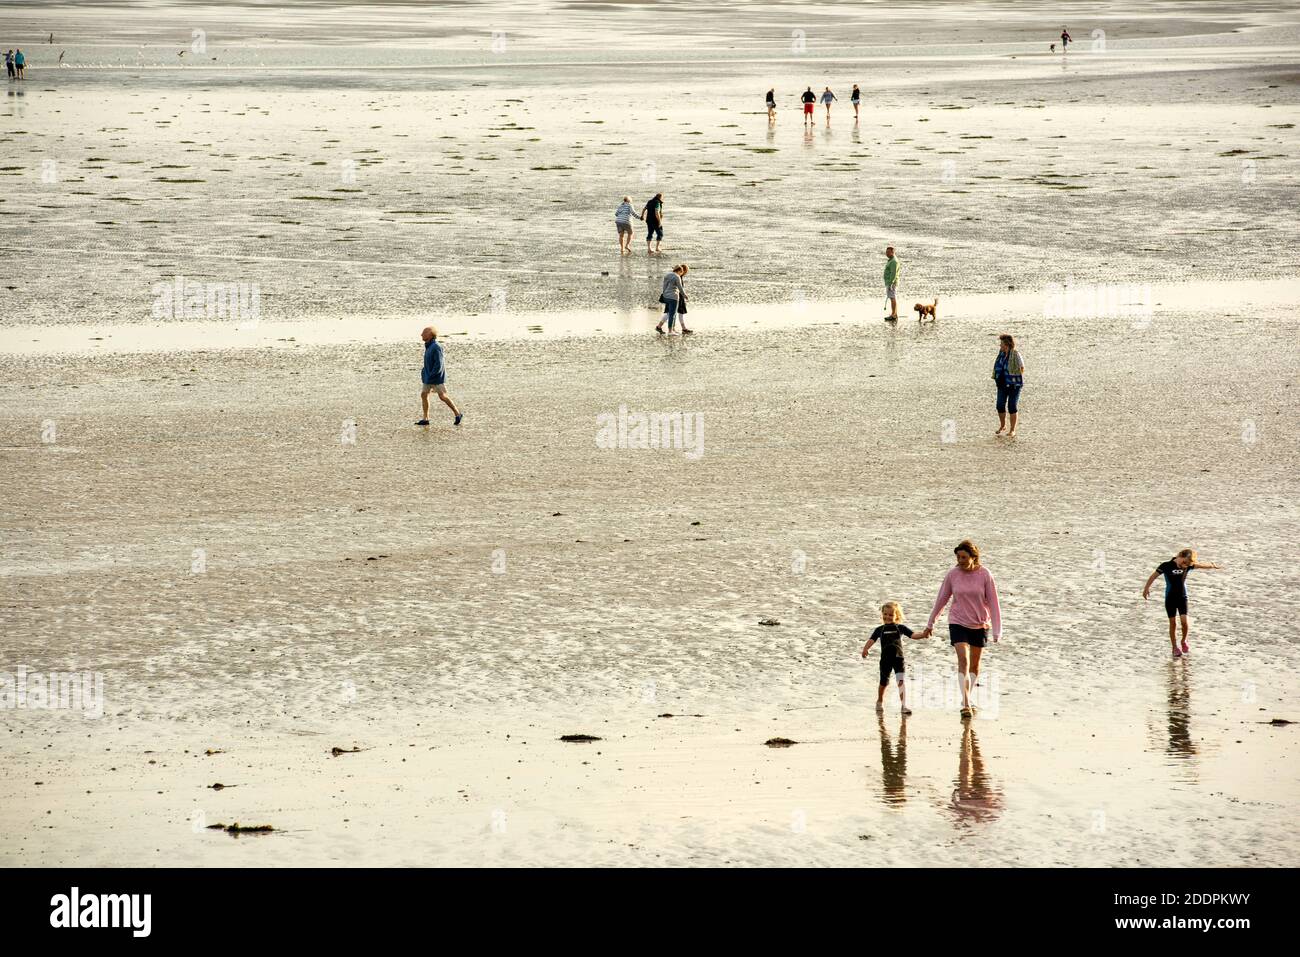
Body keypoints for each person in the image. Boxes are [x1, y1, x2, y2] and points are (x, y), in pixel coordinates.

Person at [916, 540, 1002, 719]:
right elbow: (941, 599)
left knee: (975, 665)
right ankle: (965, 702)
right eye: (958, 557)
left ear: (973, 557)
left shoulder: (985, 575)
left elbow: (994, 602)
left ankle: (968, 696)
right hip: (958, 622)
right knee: (963, 660)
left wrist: (997, 630)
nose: (960, 560)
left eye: (964, 557)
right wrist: (930, 623)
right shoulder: (952, 575)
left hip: (979, 623)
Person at [1143, 549, 1222, 658]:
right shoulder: (1166, 565)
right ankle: (1174, 647)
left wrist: (1211, 566)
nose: (1184, 566)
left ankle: (1184, 641)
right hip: (1170, 598)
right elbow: (1153, 576)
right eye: (1184, 562)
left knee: (1184, 622)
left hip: (1182, 597)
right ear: (1180, 556)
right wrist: (1146, 588)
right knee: (1173, 623)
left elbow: (1199, 566)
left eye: (1187, 564)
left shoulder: (1188, 565)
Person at [862, 601, 927, 714]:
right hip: (885, 660)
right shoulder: (879, 629)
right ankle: (880, 701)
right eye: (885, 614)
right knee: (884, 682)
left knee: (900, 681)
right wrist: (865, 649)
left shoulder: (900, 628)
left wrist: (924, 634)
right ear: (882, 614)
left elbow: (913, 635)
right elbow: (872, 639)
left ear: (897, 616)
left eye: (891, 615)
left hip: (898, 659)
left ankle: (903, 706)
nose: (887, 617)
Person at [416, 326, 462, 427]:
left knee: (443, 396)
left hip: (436, 378)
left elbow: (439, 364)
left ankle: (458, 414)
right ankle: (426, 418)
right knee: (424, 394)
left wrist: (432, 375)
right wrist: (424, 373)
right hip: (428, 377)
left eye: (424, 332)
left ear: (430, 334)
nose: (421, 334)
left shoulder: (436, 346)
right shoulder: (428, 346)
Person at [992, 333, 1025, 437]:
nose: (1000, 346)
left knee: (1012, 406)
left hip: (1014, 385)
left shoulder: (1016, 354)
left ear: (1007, 344)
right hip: (1002, 384)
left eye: (1001, 343)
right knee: (1000, 405)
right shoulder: (1000, 355)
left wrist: (1012, 376)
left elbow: (1022, 367)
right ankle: (1002, 426)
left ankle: (1012, 430)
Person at [655, 264, 691, 335]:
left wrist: (664, 294)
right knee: (672, 315)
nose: (682, 273)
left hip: (666, 296)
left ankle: (671, 329)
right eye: (682, 272)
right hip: (673, 297)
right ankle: (670, 331)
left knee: (670, 313)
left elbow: (664, 286)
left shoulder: (667, 275)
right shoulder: (677, 277)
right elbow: (680, 288)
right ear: (679, 271)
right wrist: (685, 296)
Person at [883, 246, 899, 320]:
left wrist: (891, 283)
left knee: (892, 297)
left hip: (891, 283)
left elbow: (893, 273)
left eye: (888, 252)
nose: (887, 253)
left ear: (893, 252)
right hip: (889, 282)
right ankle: (894, 313)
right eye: (886, 252)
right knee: (892, 297)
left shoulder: (894, 261)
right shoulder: (891, 260)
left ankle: (894, 314)